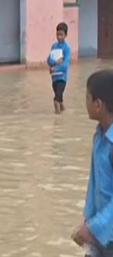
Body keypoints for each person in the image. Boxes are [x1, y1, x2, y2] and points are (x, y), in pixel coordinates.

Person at [72, 69, 113, 257]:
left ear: (98, 104)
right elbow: (95, 184)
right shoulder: (99, 136)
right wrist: (88, 221)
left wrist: (93, 228)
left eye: (87, 98)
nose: (85, 103)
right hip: (99, 230)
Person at [47, 22, 71, 115]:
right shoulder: (54, 46)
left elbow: (65, 65)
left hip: (62, 78)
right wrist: (54, 63)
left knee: (56, 100)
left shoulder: (67, 48)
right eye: (57, 34)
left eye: (61, 34)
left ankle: (57, 120)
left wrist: (56, 68)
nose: (59, 37)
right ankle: (64, 112)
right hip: (54, 78)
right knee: (59, 99)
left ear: (66, 35)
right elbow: (49, 59)